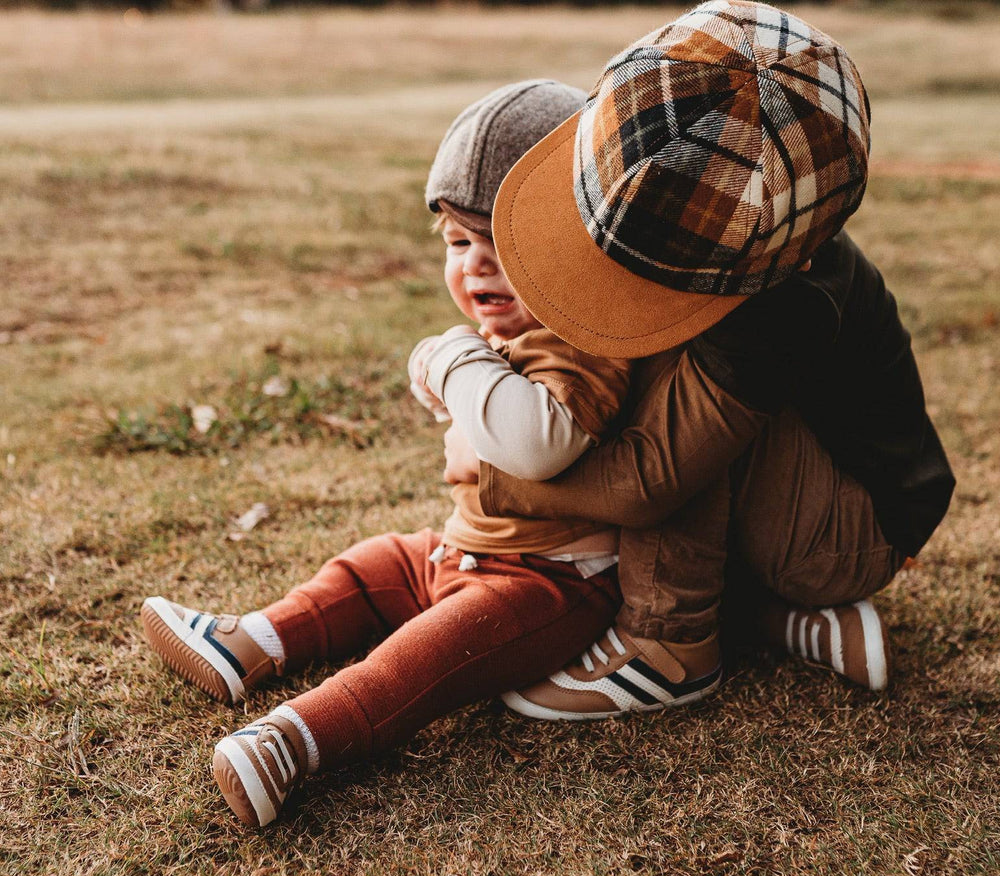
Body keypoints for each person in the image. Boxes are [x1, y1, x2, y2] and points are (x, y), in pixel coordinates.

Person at [139, 80, 633, 828]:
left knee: (417, 662)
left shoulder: (586, 340)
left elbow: (538, 443)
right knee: (374, 567)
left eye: (505, 249)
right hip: (467, 552)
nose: (476, 268)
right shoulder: (518, 334)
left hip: (553, 584)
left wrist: (452, 361)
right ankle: (253, 642)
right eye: (460, 244)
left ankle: (292, 742)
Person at [458, 0, 955, 719]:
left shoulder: (785, 307)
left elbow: (648, 484)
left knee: (672, 400)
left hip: (850, 534)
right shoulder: (731, 215)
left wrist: (500, 482)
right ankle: (779, 622)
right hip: (805, 511)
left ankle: (669, 648)